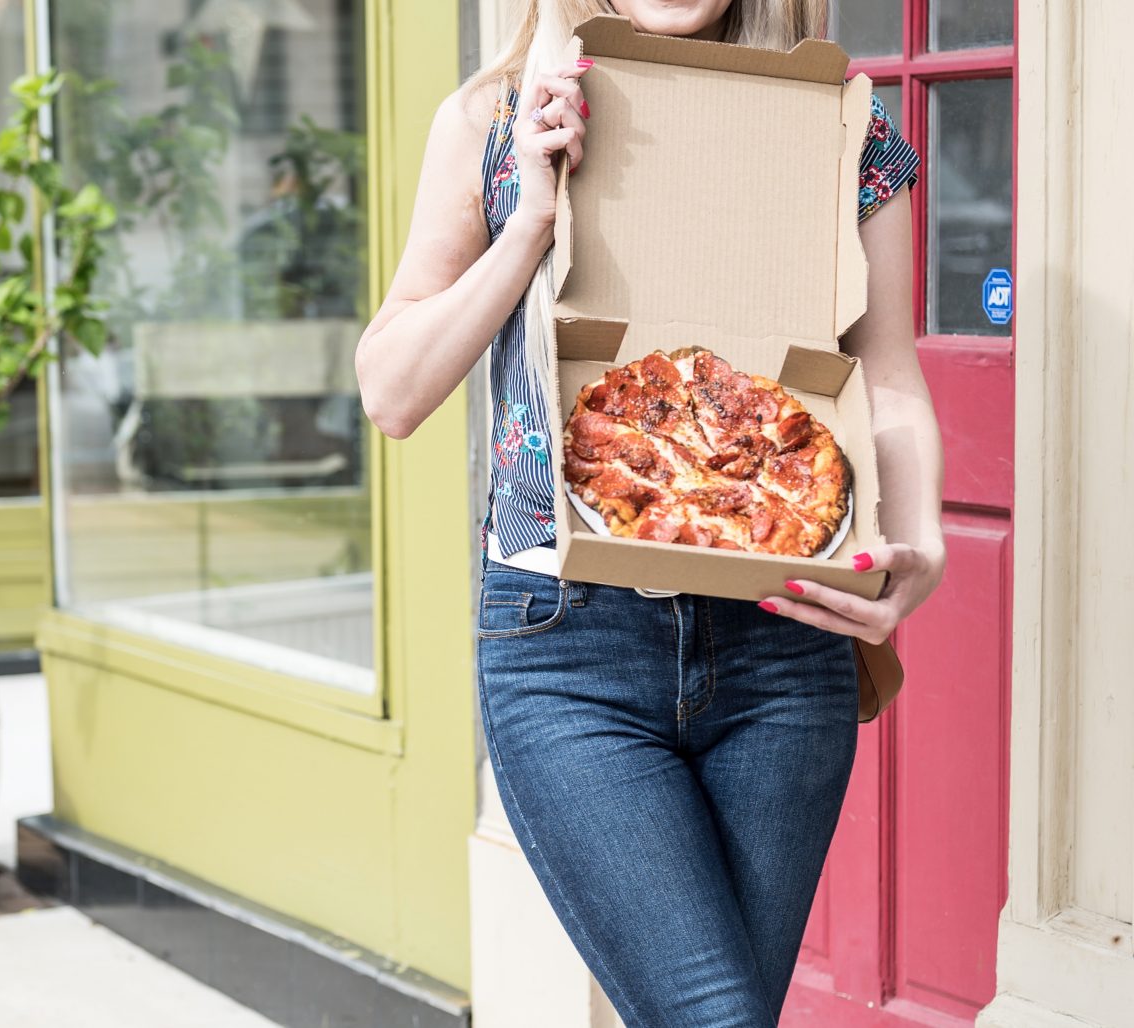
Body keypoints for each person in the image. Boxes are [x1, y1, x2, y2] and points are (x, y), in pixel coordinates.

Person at [355, 1, 945, 1024]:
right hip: (566, 647)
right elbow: (392, 393)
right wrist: (530, 224)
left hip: (781, 641)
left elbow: (885, 377)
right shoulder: (496, 120)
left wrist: (922, 537)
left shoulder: (848, 131)